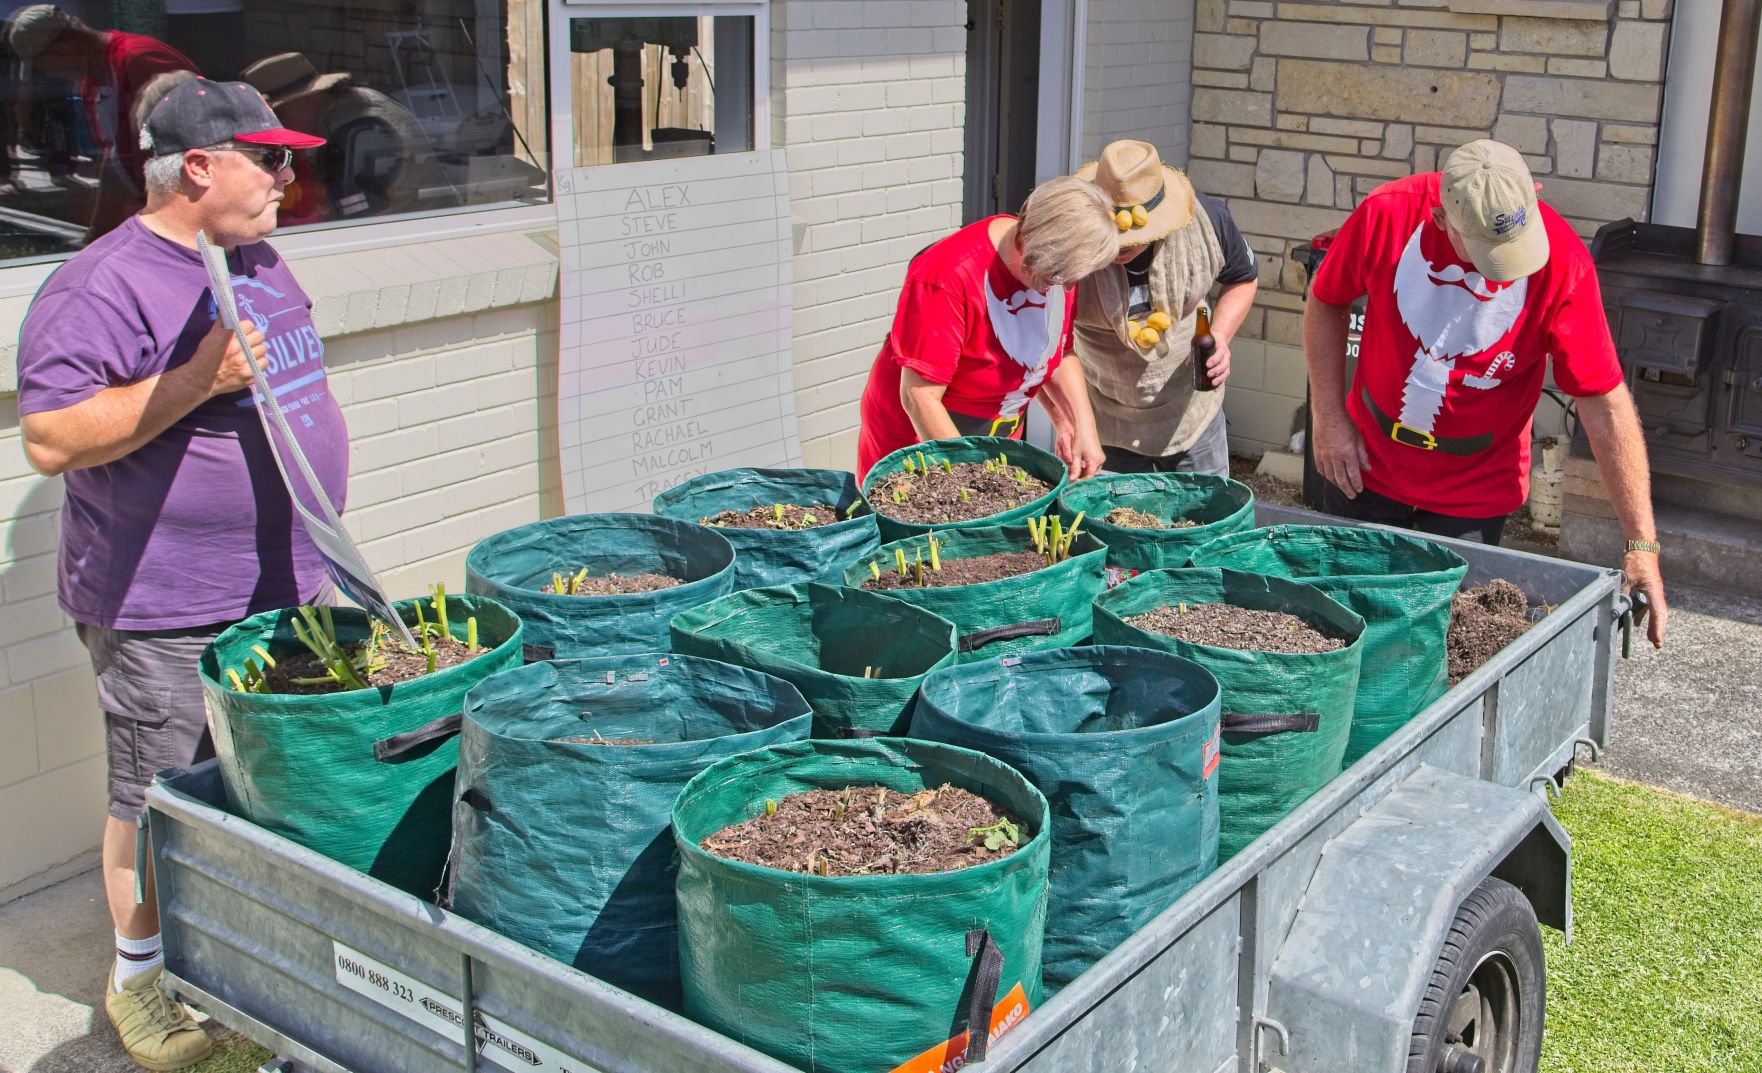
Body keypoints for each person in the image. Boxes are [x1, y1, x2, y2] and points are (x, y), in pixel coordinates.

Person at [16, 78, 343, 1068]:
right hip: (167, 604)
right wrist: (199, 376)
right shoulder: (101, 285)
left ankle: (244, 955)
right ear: (198, 166)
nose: (291, 175)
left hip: (289, 585)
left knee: (266, 786)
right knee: (159, 795)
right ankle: (141, 978)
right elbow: (49, 437)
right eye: (270, 156)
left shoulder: (258, 256)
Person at [1304, 139, 1667, 647]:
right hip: (1365, 463)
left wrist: (1641, 543)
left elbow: (1604, 403)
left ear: (1532, 194)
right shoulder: (1386, 215)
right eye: (1483, 252)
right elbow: (1324, 302)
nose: (1501, 268)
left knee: (1444, 644)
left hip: (1474, 486)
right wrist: (1328, 417)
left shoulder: (1564, 261)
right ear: (1440, 219)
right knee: (1341, 625)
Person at [856, 176, 1120, 481]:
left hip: (993, 436)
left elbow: (1059, 352)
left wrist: (1078, 425)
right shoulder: (948, 277)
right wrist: (972, 482)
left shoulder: (1058, 267)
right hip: (923, 440)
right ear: (1029, 245)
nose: (1067, 287)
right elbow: (920, 398)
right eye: (1058, 278)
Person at [1071, 139, 1259, 475]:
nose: (1119, 246)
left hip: (1192, 418)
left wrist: (1219, 335)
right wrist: (1070, 421)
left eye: (1128, 238)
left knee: (1205, 523)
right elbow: (1047, 337)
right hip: (1104, 421)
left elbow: (1243, 278)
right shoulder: (1071, 245)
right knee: (1113, 525)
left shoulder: (1206, 221)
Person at [6, 3, 198, 238]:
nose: (53, 75)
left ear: (64, 49)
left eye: (48, 67)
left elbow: (195, 146)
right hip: (154, 218)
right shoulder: (93, 78)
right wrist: (97, 233)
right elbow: (115, 161)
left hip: (182, 220)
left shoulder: (139, 60)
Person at [240, 51, 432, 226]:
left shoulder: (354, 130)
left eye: (278, 113)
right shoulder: (343, 111)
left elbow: (359, 214)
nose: (275, 123)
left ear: (305, 98)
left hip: (403, 222)